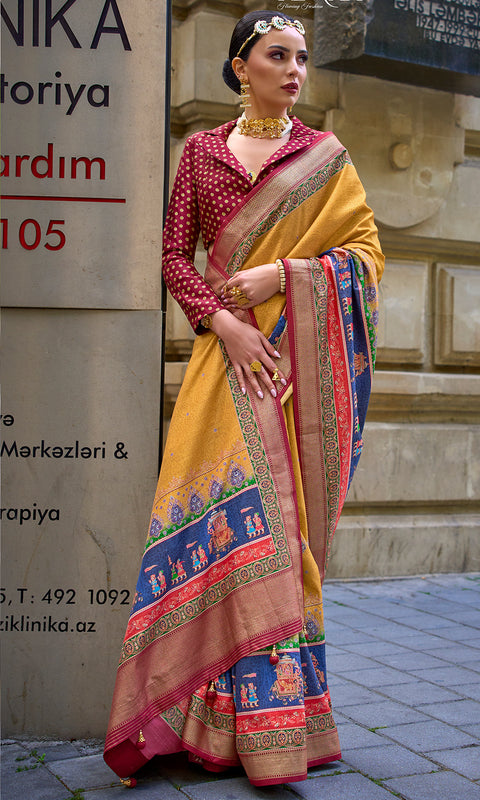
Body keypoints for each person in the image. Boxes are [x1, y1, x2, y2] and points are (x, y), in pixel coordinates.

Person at [104, 9, 384, 788]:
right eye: (277, 56)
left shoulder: (325, 158)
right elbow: (171, 253)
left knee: (278, 534)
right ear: (240, 67)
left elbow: (364, 255)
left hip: (295, 370)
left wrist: (286, 277)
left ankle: (275, 733)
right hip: (224, 368)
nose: (295, 71)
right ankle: (193, 724)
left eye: (301, 59)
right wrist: (224, 319)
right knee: (219, 531)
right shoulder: (200, 153)